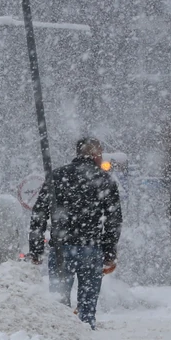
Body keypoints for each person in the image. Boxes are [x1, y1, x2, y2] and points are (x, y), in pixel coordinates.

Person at [28, 137, 123, 329]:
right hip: (91, 248)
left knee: (58, 304)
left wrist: (36, 249)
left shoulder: (56, 176)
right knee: (87, 305)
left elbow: (38, 215)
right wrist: (109, 251)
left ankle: (61, 335)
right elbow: (113, 221)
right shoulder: (104, 180)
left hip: (61, 249)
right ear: (95, 154)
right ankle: (86, 333)